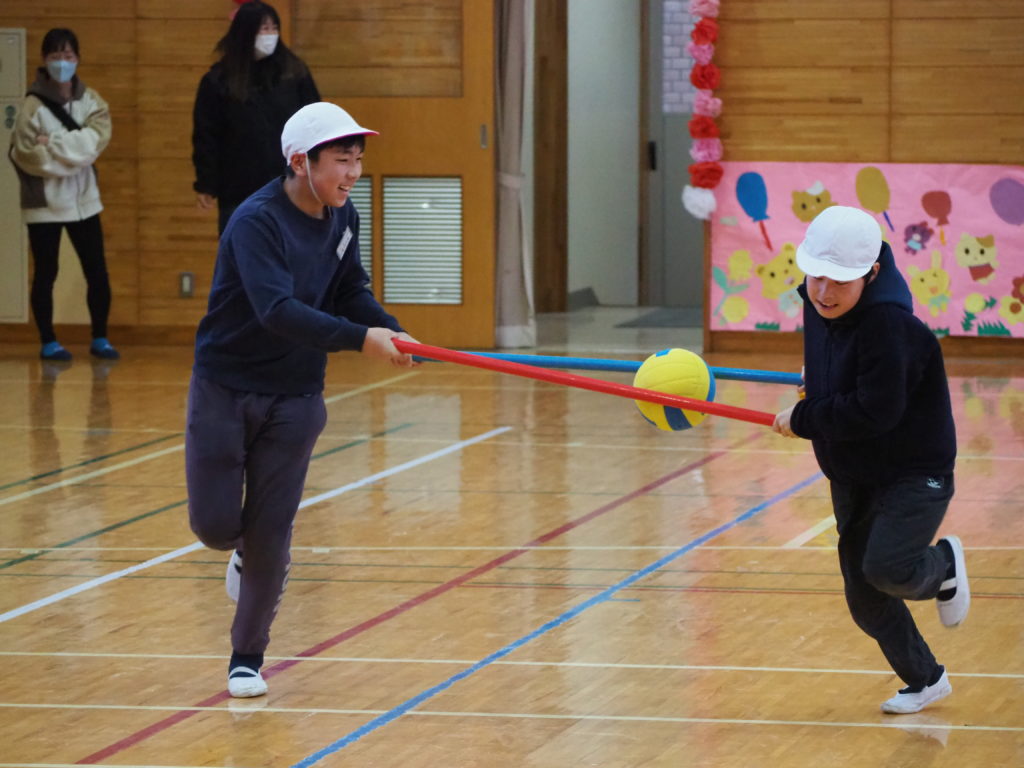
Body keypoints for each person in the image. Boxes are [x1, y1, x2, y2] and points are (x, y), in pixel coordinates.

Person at [185, 101, 419, 698]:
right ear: (300, 162)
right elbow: (278, 311)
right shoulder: (255, 222)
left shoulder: (344, 217)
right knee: (215, 525)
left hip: (297, 395)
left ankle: (247, 658)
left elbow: (349, 289)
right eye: (341, 159)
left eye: (357, 159)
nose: (353, 172)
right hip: (226, 385)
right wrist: (361, 340)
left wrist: (390, 330)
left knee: (272, 530)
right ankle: (238, 549)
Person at [772, 205, 970, 715]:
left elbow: (874, 410)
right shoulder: (818, 304)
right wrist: (817, 380)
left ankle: (944, 565)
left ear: (872, 273)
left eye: (840, 281)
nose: (824, 292)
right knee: (864, 596)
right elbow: (840, 363)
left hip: (913, 470)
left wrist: (805, 416)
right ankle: (926, 679)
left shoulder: (889, 326)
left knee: (888, 567)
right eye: (816, 276)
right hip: (853, 471)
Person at [9, 28, 119, 362]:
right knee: (46, 273)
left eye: (68, 56)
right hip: (43, 204)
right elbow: (26, 155)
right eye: (55, 56)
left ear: (77, 59)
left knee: (96, 271)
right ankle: (48, 341)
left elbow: (96, 143)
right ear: (44, 60)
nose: (62, 62)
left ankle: (100, 338)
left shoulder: (92, 101)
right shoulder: (31, 105)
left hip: (85, 202)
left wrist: (53, 144)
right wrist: (74, 154)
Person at [192, 0, 321, 234]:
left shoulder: (294, 73)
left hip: (289, 185)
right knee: (242, 248)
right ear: (245, 32)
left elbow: (315, 122)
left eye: (274, 28)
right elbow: (206, 136)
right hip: (238, 188)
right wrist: (206, 183)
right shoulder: (218, 81)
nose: (270, 35)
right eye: (263, 29)